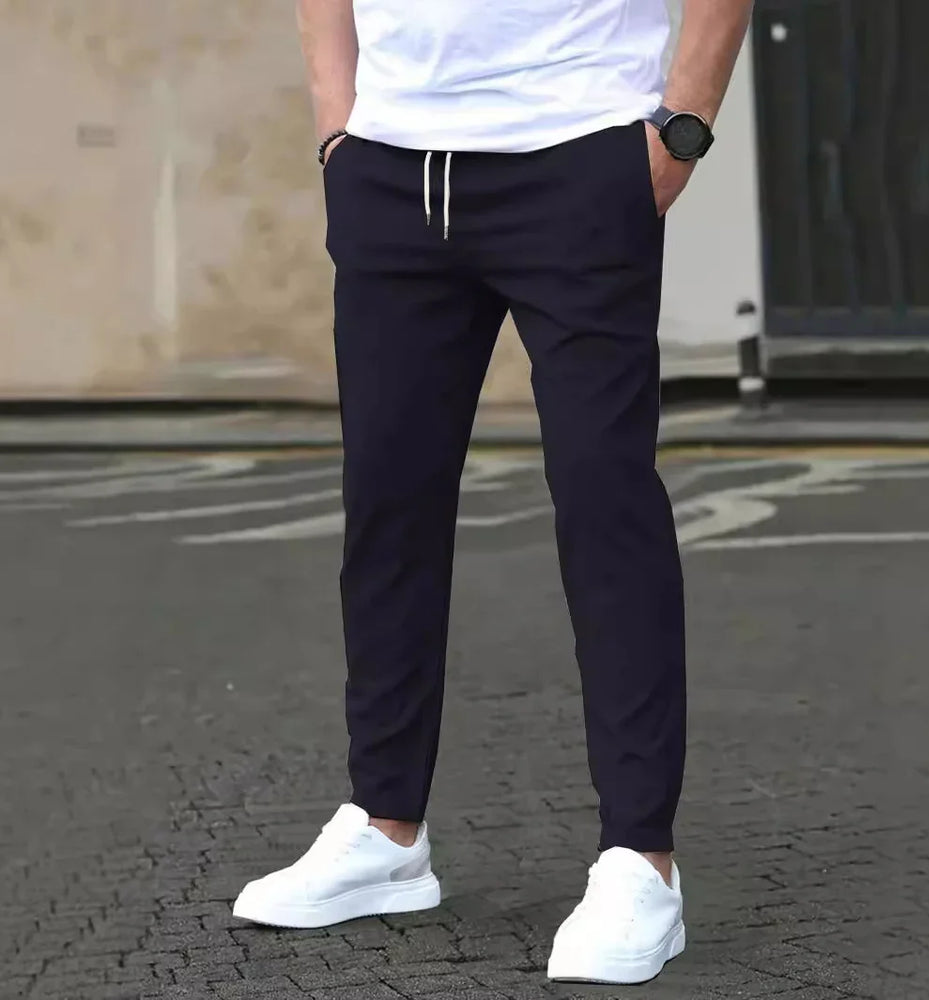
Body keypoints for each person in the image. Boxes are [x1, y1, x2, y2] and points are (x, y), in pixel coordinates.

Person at [234, 0, 753, 983]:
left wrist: (678, 129)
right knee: (386, 508)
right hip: (389, 167)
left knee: (604, 506)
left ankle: (639, 859)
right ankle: (386, 832)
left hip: (577, 150)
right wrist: (338, 126)